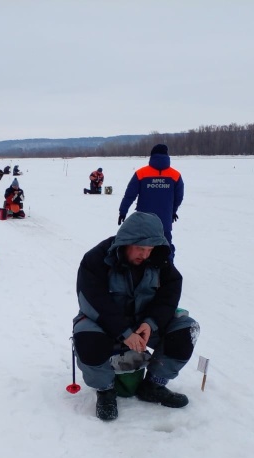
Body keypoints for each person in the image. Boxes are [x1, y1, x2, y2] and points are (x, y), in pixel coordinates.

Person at [72, 212, 200, 421]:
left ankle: (154, 385)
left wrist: (151, 323)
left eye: (150, 249)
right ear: (125, 242)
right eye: (140, 248)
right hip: (105, 323)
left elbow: (168, 297)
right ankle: (105, 390)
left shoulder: (160, 262)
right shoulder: (97, 259)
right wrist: (124, 332)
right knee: (86, 337)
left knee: (187, 329)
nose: (145, 254)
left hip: (143, 324)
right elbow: (92, 300)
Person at [118, 144, 184, 259]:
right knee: (165, 248)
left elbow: (129, 195)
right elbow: (179, 197)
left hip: (143, 221)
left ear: (152, 155)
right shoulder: (175, 175)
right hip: (165, 221)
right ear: (167, 156)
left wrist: (123, 211)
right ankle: (167, 273)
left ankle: (143, 273)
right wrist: (172, 212)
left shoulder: (141, 173)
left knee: (143, 249)